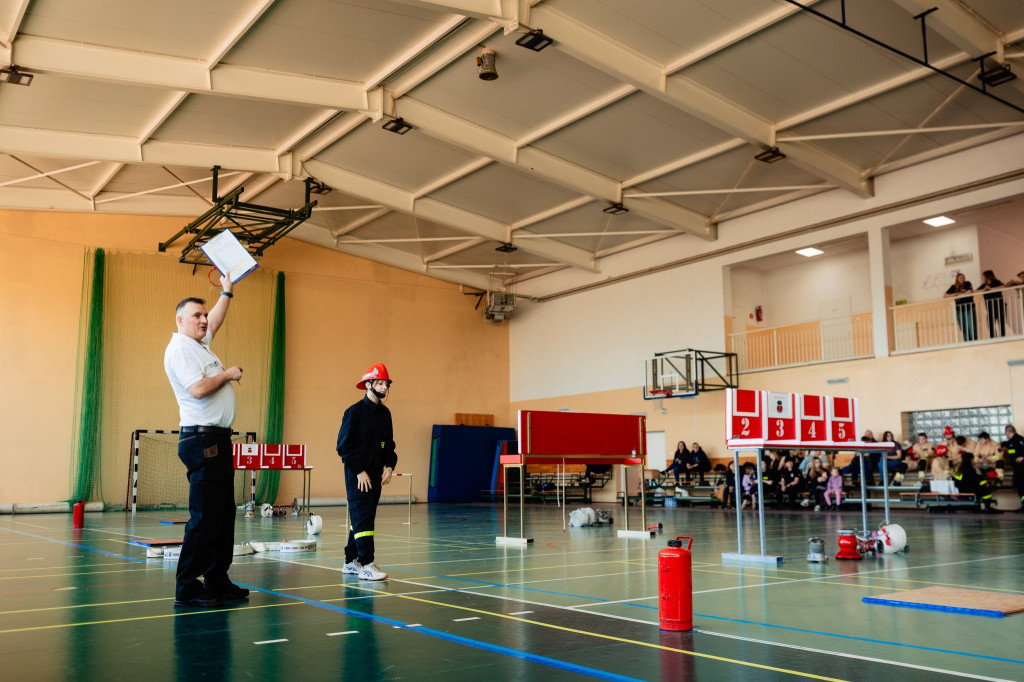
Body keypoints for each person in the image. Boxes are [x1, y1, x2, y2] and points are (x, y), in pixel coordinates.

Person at [163, 276, 247, 608]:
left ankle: (217, 578)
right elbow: (197, 389)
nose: (203, 319)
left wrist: (226, 291)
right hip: (202, 442)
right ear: (180, 320)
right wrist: (228, 374)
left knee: (224, 514)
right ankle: (187, 586)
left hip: (217, 440)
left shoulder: (199, 345)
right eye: (196, 315)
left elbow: (217, 319)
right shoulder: (180, 349)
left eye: (204, 314)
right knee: (205, 516)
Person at [337, 363, 398, 581]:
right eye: (379, 383)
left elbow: (389, 445)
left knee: (363, 519)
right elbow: (343, 446)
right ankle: (366, 564)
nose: (383, 387)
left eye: (386, 384)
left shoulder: (385, 414)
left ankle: (350, 562)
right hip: (358, 476)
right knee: (363, 519)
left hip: (375, 475)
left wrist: (390, 465)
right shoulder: (354, 412)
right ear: (368, 385)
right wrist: (359, 471)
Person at [944, 272, 977, 342]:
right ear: (957, 279)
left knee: (971, 325)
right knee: (963, 326)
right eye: (960, 278)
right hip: (959, 309)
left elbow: (970, 292)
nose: (962, 279)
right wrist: (955, 294)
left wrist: (959, 295)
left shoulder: (967, 283)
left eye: (963, 277)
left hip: (969, 308)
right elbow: (945, 295)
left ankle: (975, 340)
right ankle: (967, 340)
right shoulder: (953, 287)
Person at [976, 270, 1006, 338]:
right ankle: (993, 338)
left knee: (1001, 323)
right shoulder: (984, 285)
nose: (983, 278)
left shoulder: (996, 282)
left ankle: (1002, 337)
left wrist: (991, 289)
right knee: (990, 324)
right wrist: (984, 289)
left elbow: (1003, 286)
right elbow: (975, 291)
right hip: (990, 307)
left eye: (984, 276)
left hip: (1000, 306)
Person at [1001, 424, 1024, 513]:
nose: (1005, 434)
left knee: (1022, 485)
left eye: (1006, 432)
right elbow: (1006, 445)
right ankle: (1022, 504)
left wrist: (1023, 456)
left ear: (1009, 431)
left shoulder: (1019, 439)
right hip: (1016, 467)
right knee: (1018, 486)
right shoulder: (1010, 442)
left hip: (1021, 467)